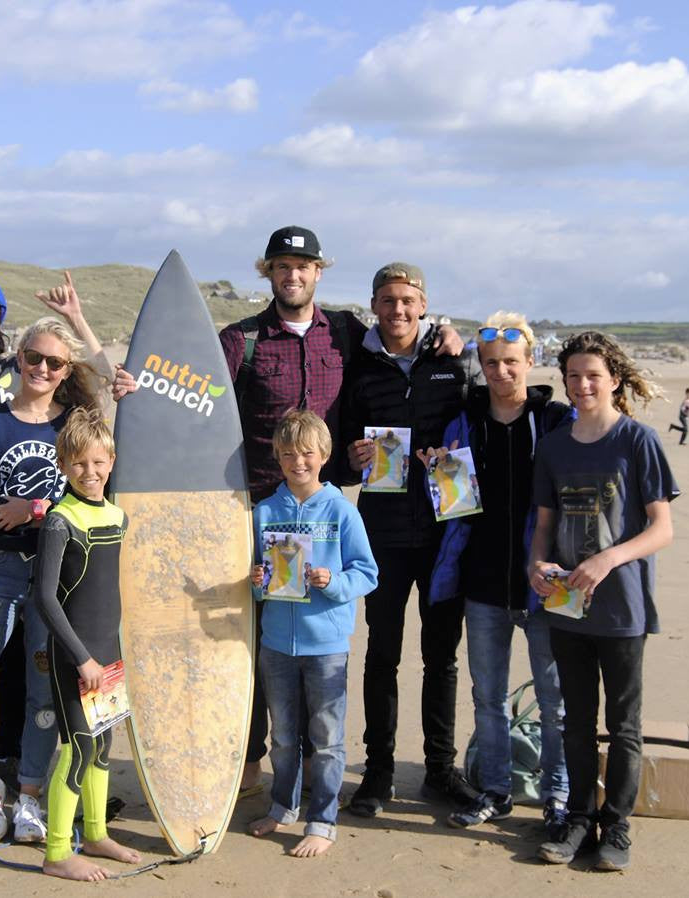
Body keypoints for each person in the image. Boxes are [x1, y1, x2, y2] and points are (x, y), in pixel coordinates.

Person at [112, 229, 461, 794]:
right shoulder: (241, 339)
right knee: (249, 631)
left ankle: (310, 765)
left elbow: (404, 334)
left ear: (318, 271)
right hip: (254, 509)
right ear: (268, 273)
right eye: (281, 267)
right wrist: (138, 387)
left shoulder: (345, 333)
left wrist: (448, 332)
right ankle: (248, 757)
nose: (292, 276)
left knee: (311, 625)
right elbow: (188, 392)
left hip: (323, 507)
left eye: (302, 266)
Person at [0, 272, 112, 801]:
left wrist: (33, 509)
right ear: (17, 358)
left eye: (54, 362)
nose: (41, 368)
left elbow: (94, 491)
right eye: (33, 357)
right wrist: (37, 511)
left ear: (65, 370)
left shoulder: (77, 426)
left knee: (42, 697)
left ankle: (31, 797)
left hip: (57, 584)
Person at [529, 331, 677, 871]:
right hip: (567, 608)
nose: (583, 384)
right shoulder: (554, 447)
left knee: (623, 725)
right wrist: (537, 564)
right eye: (573, 376)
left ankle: (616, 827)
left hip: (623, 610)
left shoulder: (637, 441)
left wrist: (608, 558)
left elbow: (662, 529)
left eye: (593, 375)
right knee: (575, 721)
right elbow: (544, 528)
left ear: (614, 379)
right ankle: (576, 819)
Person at [339, 262, 482, 816]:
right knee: (381, 655)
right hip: (385, 533)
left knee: (441, 658)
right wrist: (353, 458)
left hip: (447, 532)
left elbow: (481, 426)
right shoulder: (362, 367)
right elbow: (345, 450)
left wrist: (460, 340)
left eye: (407, 300)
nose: (397, 310)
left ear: (423, 305)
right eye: (387, 300)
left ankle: (440, 772)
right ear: (374, 305)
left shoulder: (453, 359)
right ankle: (376, 775)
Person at [425, 312, 571, 836]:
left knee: (554, 703)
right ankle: (495, 789)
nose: (501, 372)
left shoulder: (555, 421)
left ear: (530, 362)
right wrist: (435, 472)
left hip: (543, 587)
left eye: (511, 362)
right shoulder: (464, 424)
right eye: (491, 364)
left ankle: (558, 794)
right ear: (481, 367)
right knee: (488, 698)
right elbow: (449, 507)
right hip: (482, 585)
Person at [248, 411, 378, 857]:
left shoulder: (342, 511)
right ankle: (283, 806)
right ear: (277, 459)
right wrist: (255, 578)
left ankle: (322, 820)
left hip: (326, 646)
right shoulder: (263, 511)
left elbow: (367, 573)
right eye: (287, 454)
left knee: (325, 739)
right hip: (276, 644)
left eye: (306, 453)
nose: (297, 462)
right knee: (284, 736)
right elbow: (253, 578)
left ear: (323, 456)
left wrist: (333, 581)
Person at [31, 408, 141, 881]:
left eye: (98, 463)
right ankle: (58, 851)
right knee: (77, 748)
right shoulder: (61, 520)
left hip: (108, 656)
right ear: (63, 466)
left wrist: (111, 657)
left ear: (111, 461)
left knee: (102, 746)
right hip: (76, 657)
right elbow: (44, 598)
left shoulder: (117, 515)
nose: (89, 472)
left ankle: (95, 834)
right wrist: (83, 659)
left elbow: (111, 594)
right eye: (78, 464)